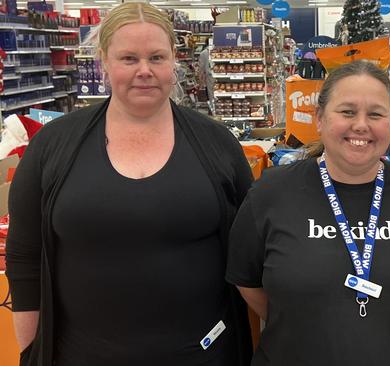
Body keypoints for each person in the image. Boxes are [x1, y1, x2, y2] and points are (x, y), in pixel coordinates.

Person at [6, 3, 253, 366]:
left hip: (203, 355)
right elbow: (24, 256)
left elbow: (252, 253)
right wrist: (30, 352)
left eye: (156, 57)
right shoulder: (53, 145)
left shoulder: (217, 144)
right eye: (128, 58)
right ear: (104, 61)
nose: (144, 71)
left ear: (174, 60)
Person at [226, 60, 390, 366]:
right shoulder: (269, 195)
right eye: (347, 112)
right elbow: (248, 282)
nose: (361, 125)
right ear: (319, 118)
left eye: (375, 114)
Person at [197, 38, 215, 113]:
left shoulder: (204, 53)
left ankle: (214, 111)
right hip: (221, 75)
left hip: (210, 76)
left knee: (212, 95)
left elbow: (201, 68)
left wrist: (200, 81)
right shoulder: (218, 50)